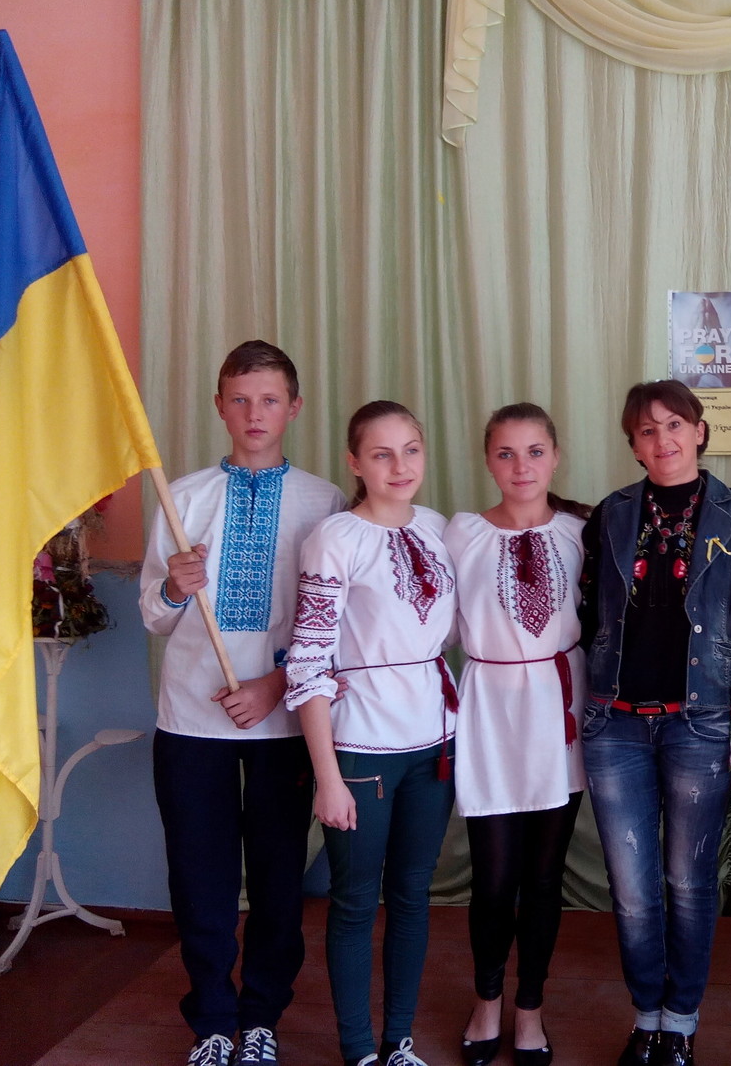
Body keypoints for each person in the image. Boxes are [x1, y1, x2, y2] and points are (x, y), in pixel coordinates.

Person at [140, 340, 345, 1066]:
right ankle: (212, 1022)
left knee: (279, 878)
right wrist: (173, 586)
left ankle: (261, 1017)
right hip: (190, 720)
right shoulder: (183, 497)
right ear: (219, 406)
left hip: (285, 722)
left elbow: (335, 625)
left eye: (268, 400)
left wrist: (275, 684)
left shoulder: (325, 502)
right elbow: (153, 615)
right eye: (239, 399)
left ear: (293, 407)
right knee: (201, 878)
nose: (254, 413)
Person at [579, 380, 731, 1066]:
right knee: (632, 889)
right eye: (647, 430)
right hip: (616, 725)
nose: (662, 439)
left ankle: (682, 1021)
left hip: (701, 723)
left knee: (689, 883)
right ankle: (647, 1016)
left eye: (674, 425)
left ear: (699, 431)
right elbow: (588, 615)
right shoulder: (609, 515)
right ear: (633, 444)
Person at [285, 401, 459, 1066]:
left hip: (434, 742)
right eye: (381, 454)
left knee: (413, 895)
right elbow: (308, 661)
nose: (399, 465)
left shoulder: (438, 528)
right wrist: (327, 776)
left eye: (411, 449)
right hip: (361, 747)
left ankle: (399, 1041)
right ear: (354, 462)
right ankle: (358, 1047)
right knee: (357, 900)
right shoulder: (335, 538)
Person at [447, 403, 591, 1066]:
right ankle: (486, 1000)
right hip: (490, 710)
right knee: (493, 876)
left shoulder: (581, 532)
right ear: (488, 460)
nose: (521, 466)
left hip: (558, 710)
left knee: (543, 876)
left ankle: (529, 1007)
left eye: (534, 451)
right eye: (506, 453)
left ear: (555, 456)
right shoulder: (462, 533)